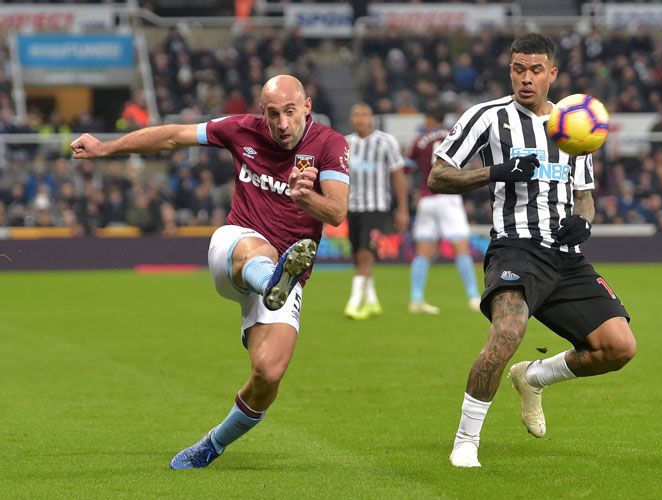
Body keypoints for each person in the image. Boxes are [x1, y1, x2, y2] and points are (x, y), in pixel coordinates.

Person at [70, 75, 350, 469]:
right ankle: (270, 279)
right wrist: (105, 148)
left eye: (290, 112)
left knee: (268, 376)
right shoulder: (241, 130)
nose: (282, 124)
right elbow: (173, 137)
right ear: (261, 112)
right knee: (263, 250)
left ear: (306, 106)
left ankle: (211, 444)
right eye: (273, 114)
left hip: (287, 274)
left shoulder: (330, 144)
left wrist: (306, 197)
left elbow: (336, 211)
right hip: (236, 247)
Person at [427, 34, 636, 468]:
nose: (526, 78)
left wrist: (585, 220)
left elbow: (584, 194)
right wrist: (497, 171)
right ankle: (466, 440)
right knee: (507, 332)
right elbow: (438, 176)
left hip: (565, 256)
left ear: (552, 74)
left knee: (619, 347)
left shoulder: (575, 123)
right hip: (515, 249)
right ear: (510, 71)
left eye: (536, 70)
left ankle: (535, 376)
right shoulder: (487, 117)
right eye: (518, 68)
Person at [407, 105, 480, 314]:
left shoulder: (419, 140)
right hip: (449, 196)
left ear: (429, 119)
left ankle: (416, 299)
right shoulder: (452, 134)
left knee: (423, 250)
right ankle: (473, 297)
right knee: (461, 247)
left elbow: (407, 164)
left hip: (426, 197)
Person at [343, 103, 409, 320]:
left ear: (371, 118)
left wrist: (403, 209)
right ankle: (372, 301)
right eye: (356, 115)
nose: (360, 119)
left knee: (365, 254)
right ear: (352, 119)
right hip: (352, 207)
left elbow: (398, 175)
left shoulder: (385, 141)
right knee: (357, 255)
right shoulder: (346, 143)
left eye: (364, 115)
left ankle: (354, 303)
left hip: (377, 207)